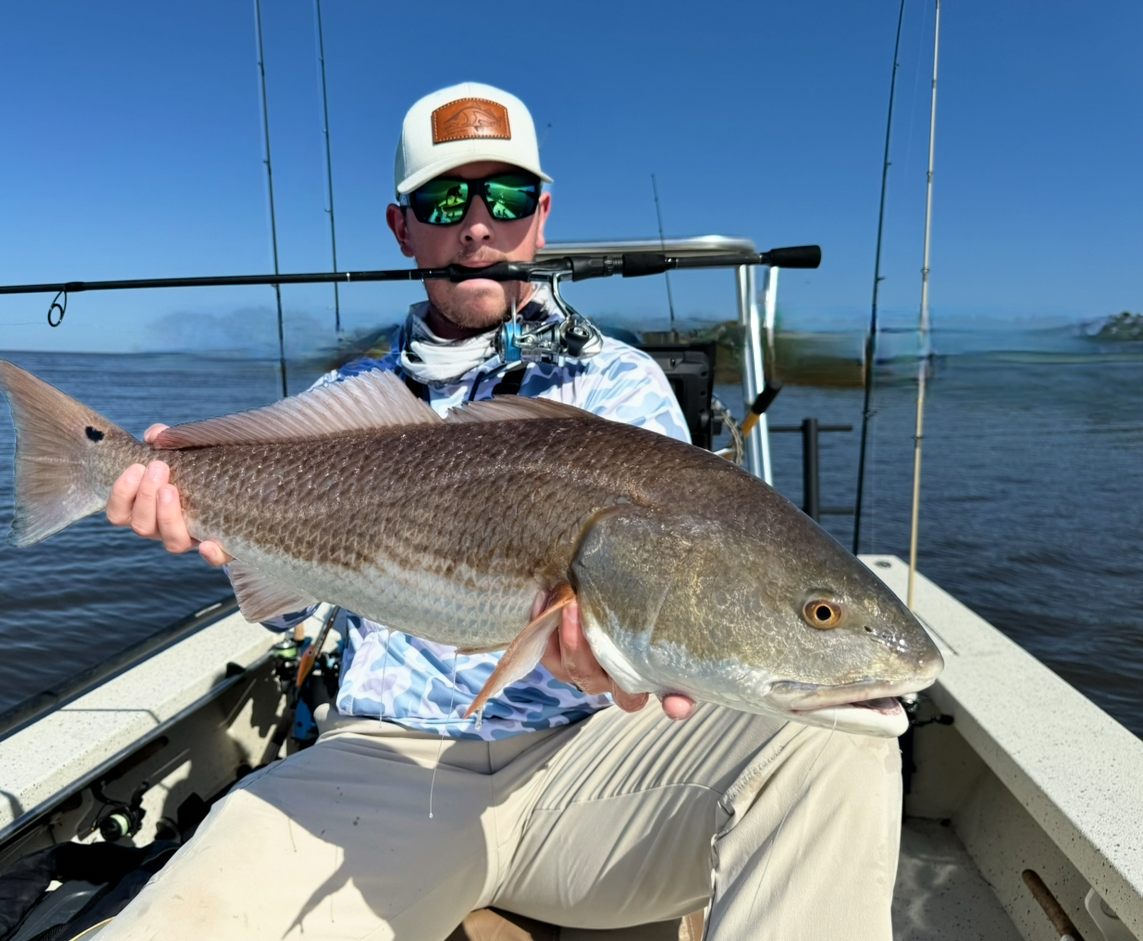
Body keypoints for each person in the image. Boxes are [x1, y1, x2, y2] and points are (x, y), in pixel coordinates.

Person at [99, 83, 902, 941]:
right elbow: (287, 605)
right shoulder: (347, 402)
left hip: (592, 766)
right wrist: (187, 506)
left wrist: (633, 661)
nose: (477, 224)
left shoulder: (620, 385)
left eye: (507, 196)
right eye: (444, 199)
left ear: (542, 214)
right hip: (385, 766)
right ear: (402, 228)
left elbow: (669, 586)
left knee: (842, 746)